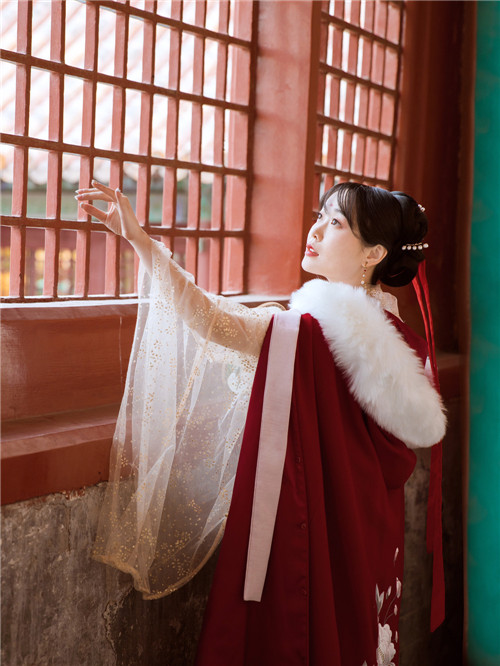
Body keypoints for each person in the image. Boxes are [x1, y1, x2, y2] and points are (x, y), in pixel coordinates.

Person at [75, 180, 446, 666]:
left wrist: (141, 242)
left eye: (335, 223)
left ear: (373, 253)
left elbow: (206, 316)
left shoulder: (304, 332)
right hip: (368, 521)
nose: (315, 230)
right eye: (320, 216)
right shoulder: (396, 340)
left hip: (312, 518)